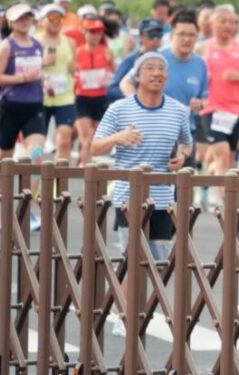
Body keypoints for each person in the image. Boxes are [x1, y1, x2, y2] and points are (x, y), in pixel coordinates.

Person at [92, 51, 192, 336]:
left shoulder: (177, 110)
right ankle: (128, 314)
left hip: (163, 196)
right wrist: (118, 138)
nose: (157, 73)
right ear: (137, 75)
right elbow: (95, 147)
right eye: (150, 68)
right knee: (133, 255)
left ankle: (130, 307)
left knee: (158, 261)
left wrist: (181, 158)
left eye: (162, 69)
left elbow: (187, 143)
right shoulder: (119, 109)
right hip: (128, 195)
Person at [195, 5, 239, 202]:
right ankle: (223, 200)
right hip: (211, 108)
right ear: (212, 24)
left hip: (235, 109)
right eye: (223, 21)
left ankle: (206, 180)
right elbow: (192, 72)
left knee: (229, 156)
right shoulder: (203, 48)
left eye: (232, 22)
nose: (228, 26)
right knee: (222, 154)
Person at [120, 9, 207, 161]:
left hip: (185, 135)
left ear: (197, 37)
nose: (186, 39)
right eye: (181, 34)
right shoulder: (156, 58)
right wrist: (139, 106)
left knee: (184, 182)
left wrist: (200, 103)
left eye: (191, 35)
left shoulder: (201, 64)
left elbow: (206, 98)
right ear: (172, 35)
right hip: (155, 132)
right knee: (152, 181)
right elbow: (126, 83)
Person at [0, 4, 48, 162]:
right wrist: (23, 79)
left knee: (37, 155)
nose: (24, 22)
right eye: (19, 19)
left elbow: (38, 72)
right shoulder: (7, 46)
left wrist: (45, 81)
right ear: (11, 22)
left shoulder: (38, 45)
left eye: (27, 17)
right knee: (4, 159)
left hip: (34, 105)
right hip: (11, 107)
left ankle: (30, 188)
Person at [37, 3, 78, 163]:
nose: (56, 21)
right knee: (38, 143)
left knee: (65, 138)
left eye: (59, 17)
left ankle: (60, 184)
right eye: (52, 17)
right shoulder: (35, 41)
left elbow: (72, 68)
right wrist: (43, 63)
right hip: (40, 97)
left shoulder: (70, 42)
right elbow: (26, 68)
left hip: (64, 96)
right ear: (42, 21)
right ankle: (34, 186)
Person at [73, 14, 115, 167]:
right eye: (92, 32)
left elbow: (115, 74)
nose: (96, 35)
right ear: (84, 32)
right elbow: (71, 72)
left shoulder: (106, 52)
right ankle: (86, 172)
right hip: (82, 98)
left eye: (99, 32)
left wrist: (108, 77)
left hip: (100, 99)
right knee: (87, 138)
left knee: (94, 138)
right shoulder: (77, 52)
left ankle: (83, 159)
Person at [107, 18, 165, 102]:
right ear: (142, 37)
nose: (155, 39)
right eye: (152, 35)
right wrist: (135, 96)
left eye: (159, 35)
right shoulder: (131, 60)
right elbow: (112, 89)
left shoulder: (165, 60)